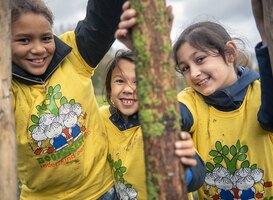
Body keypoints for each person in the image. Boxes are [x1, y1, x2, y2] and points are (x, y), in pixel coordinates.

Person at [115, 0, 273, 199]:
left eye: (199, 59)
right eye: (185, 68)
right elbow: (168, 118)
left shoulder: (259, 93)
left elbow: (269, 118)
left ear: (230, 53)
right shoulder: (190, 101)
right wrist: (149, 53)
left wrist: (267, 42)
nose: (194, 73)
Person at [11, 0, 125, 199]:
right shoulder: (6, 87)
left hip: (102, 190)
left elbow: (102, 19)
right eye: (24, 40)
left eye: (46, 38)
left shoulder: (74, 54)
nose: (38, 49)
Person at [99, 49, 206, 199]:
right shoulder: (102, 118)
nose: (129, 89)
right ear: (110, 88)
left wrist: (183, 171)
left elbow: (197, 176)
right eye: (120, 81)